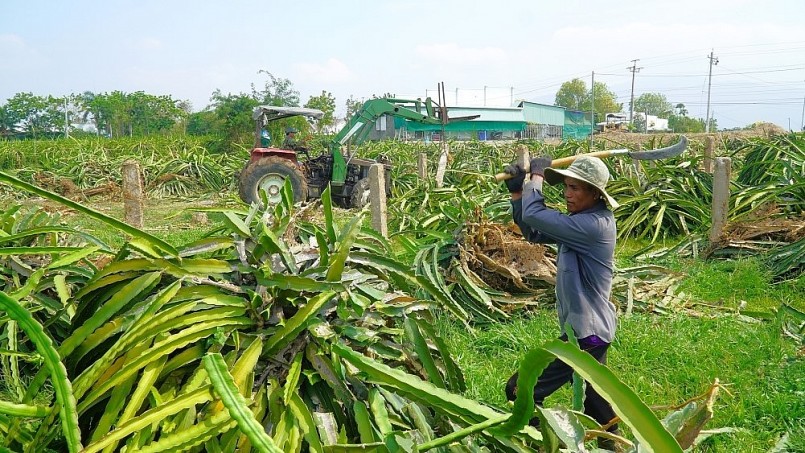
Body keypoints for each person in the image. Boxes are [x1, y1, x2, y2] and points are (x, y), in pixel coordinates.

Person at [503, 154, 622, 449]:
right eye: (567, 187)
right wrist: (519, 192)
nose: (568, 194)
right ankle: (614, 444)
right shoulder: (579, 223)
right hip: (591, 333)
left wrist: (537, 177)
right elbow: (533, 230)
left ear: (595, 194)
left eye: (576, 189)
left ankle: (541, 441)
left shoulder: (593, 226)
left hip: (586, 336)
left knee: (521, 389)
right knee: (596, 401)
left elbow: (535, 216)